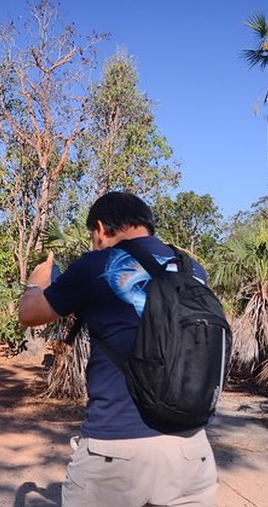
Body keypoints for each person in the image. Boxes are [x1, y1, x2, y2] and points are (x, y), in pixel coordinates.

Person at [18, 191, 219, 507]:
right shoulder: (191, 268)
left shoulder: (96, 265)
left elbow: (30, 315)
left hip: (116, 448)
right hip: (192, 449)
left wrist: (36, 283)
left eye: (92, 235)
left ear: (100, 228)